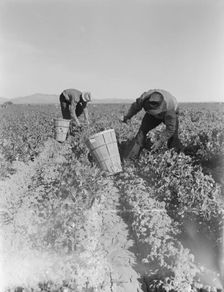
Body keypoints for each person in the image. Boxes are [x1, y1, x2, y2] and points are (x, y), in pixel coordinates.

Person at [122, 89, 182, 158]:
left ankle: (175, 156)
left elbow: (170, 129)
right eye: (153, 112)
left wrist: (160, 141)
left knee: (173, 137)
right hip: (151, 115)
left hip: (168, 113)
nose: (156, 115)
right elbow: (135, 107)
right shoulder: (144, 98)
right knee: (142, 131)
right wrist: (127, 117)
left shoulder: (170, 107)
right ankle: (134, 155)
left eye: (157, 113)